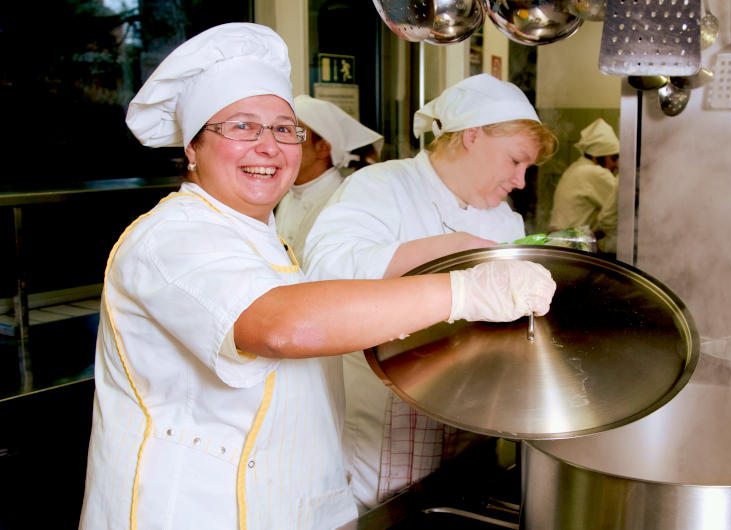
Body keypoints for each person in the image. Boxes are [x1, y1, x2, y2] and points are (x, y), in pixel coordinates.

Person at [79, 24, 556, 530]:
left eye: (285, 129)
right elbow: (282, 327)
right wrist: (464, 288)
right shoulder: (169, 236)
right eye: (241, 127)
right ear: (192, 149)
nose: (268, 147)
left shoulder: (265, 243)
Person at [302, 73, 558, 511]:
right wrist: (449, 247)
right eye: (516, 161)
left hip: (472, 434)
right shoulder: (383, 186)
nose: (520, 181)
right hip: (381, 446)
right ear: (472, 137)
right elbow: (324, 271)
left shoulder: (505, 220)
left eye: (527, 169)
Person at [275, 96, 383, 258]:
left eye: (293, 133)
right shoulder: (286, 196)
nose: (277, 144)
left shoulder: (343, 203)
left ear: (323, 148)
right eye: (279, 132)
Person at [548, 117, 620, 253]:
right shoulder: (595, 173)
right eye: (613, 158)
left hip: (557, 243)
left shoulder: (576, 168)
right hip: (571, 247)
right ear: (598, 156)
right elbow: (622, 207)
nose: (616, 165)